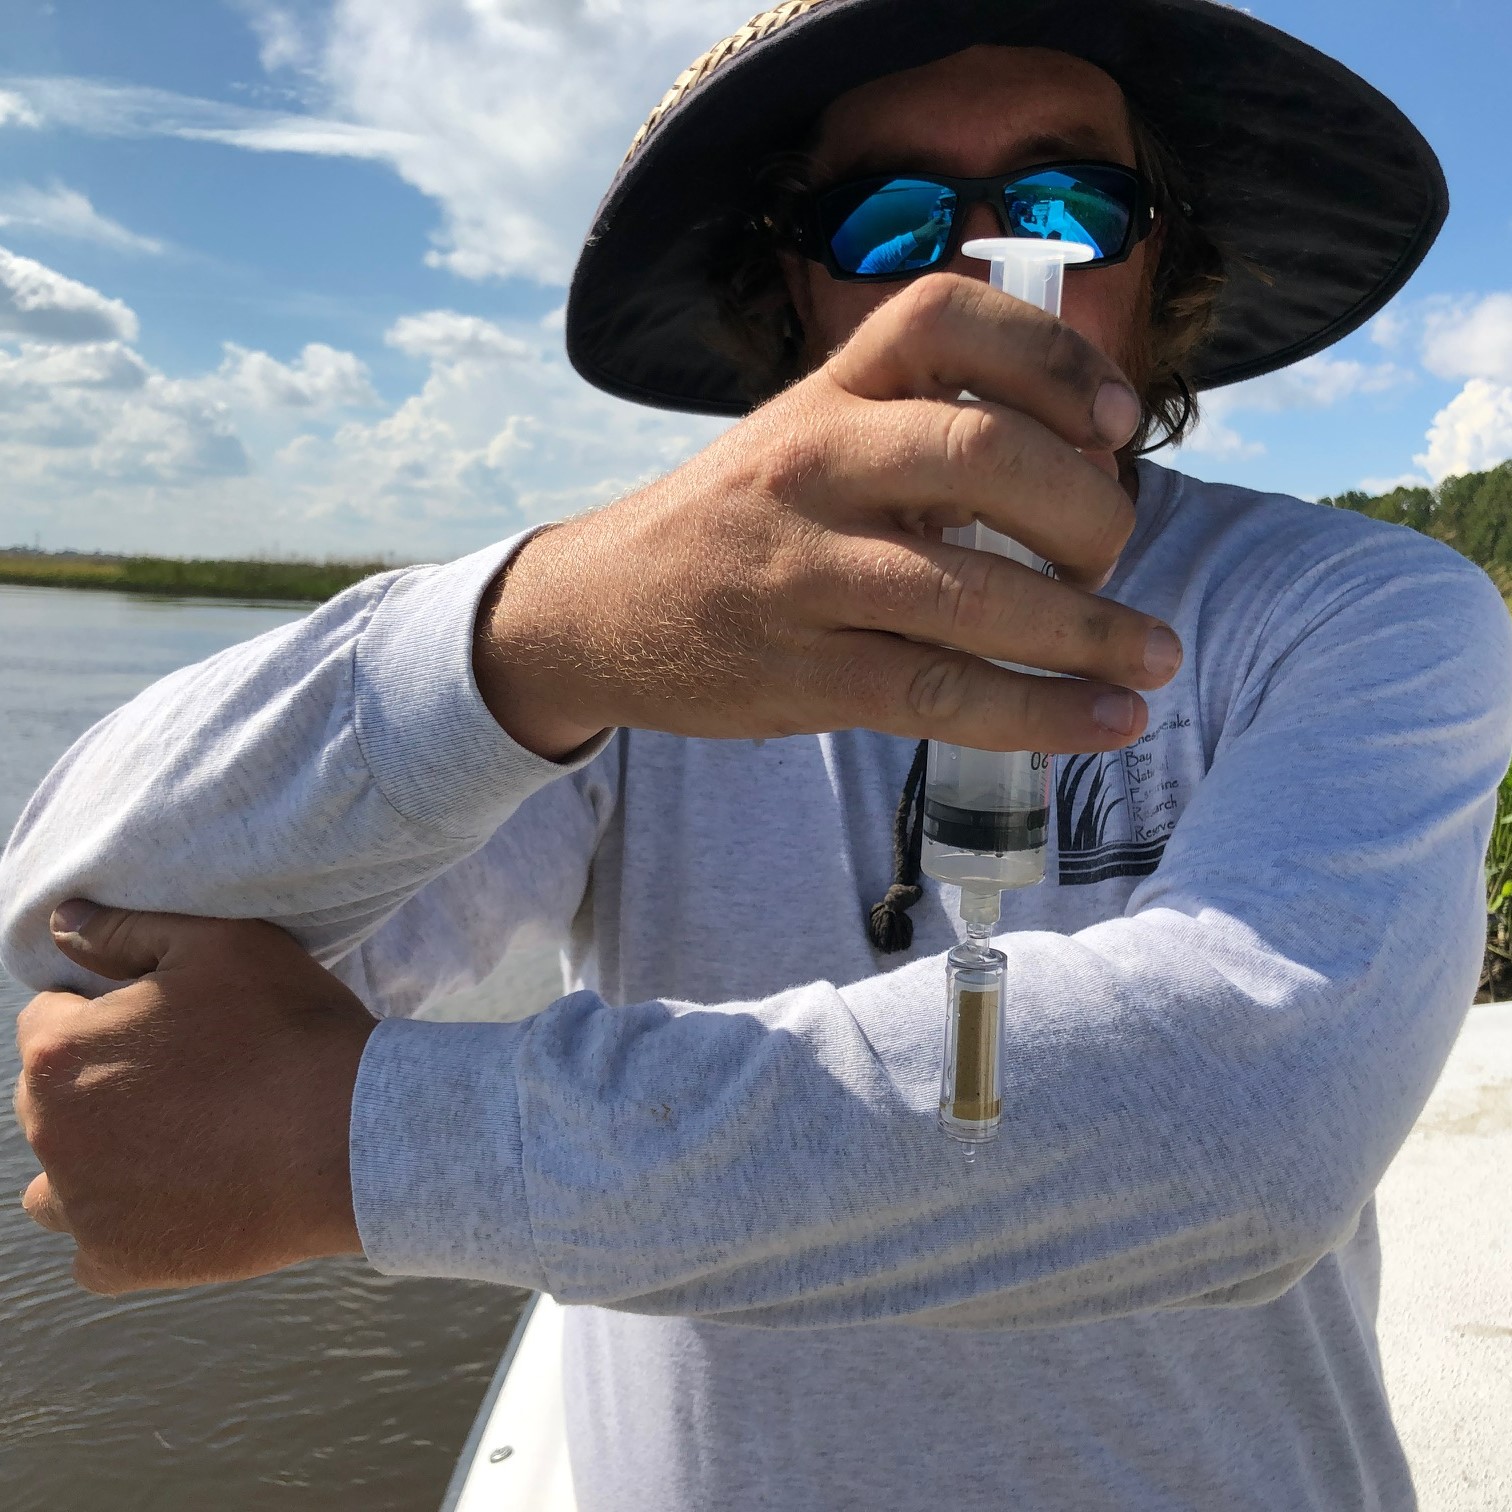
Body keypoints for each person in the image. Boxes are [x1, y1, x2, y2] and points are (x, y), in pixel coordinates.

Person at [6, 4, 1511, 1510]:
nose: (976, 266)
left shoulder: (1359, 609)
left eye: (1066, 206)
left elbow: (1244, 1129)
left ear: (1160, 257)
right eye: (889, 216)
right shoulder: (624, 646)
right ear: (787, 281)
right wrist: (533, 638)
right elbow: (83, 933)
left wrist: (351, 1144)